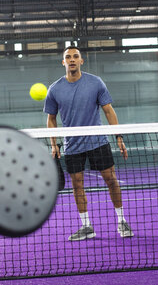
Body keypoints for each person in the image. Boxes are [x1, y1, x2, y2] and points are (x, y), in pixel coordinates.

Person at [44, 46, 134, 241]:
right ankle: (86, 226)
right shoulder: (55, 89)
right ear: (63, 62)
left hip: (98, 141)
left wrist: (119, 136)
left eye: (76, 56)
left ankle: (121, 220)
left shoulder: (95, 82)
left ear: (81, 61)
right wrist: (54, 144)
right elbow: (51, 119)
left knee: (111, 180)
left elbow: (108, 110)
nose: (72, 60)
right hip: (72, 145)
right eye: (68, 57)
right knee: (77, 185)